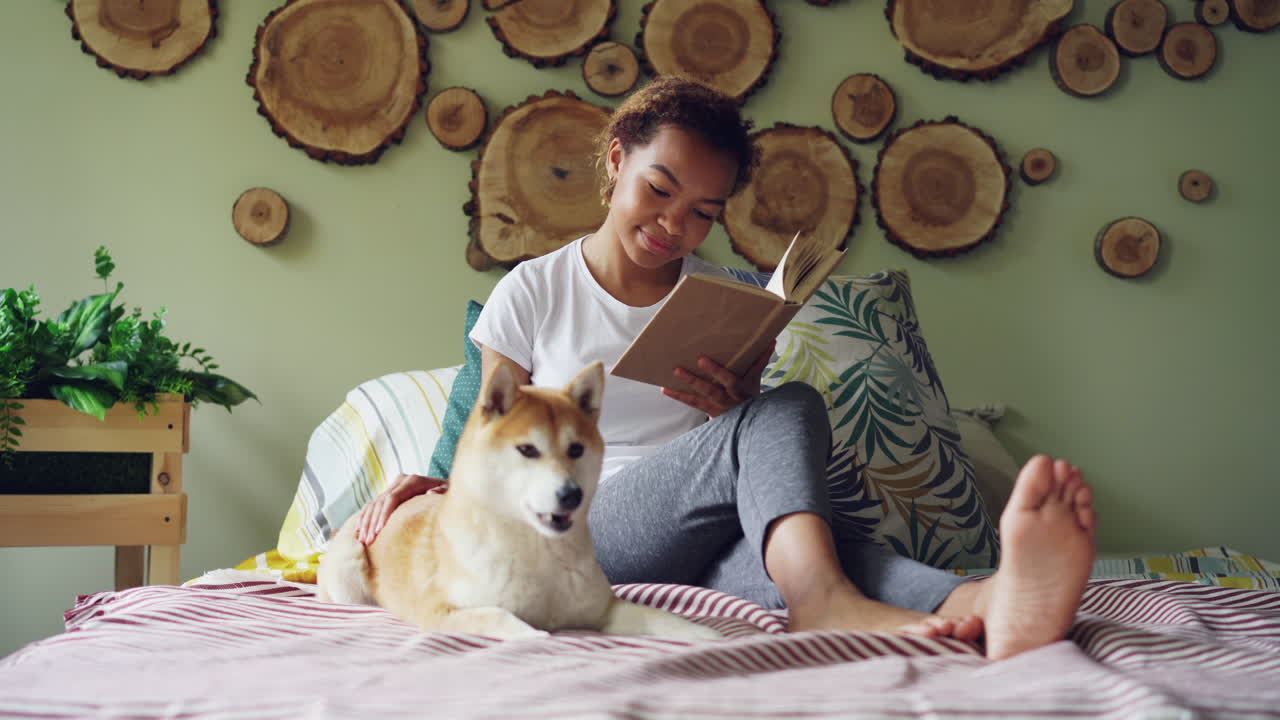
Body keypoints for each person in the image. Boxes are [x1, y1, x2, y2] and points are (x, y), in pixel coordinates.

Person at [355, 75, 1097, 661]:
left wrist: (730, 406)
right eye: (658, 190)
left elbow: (742, 455)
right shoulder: (537, 287)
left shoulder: (724, 295)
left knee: (803, 549)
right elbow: (485, 418)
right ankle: (826, 603)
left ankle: (984, 606)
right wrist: (428, 483)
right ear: (617, 160)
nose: (674, 226)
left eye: (703, 212)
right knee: (790, 409)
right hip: (583, 530)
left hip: (689, 542)